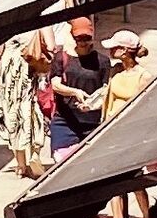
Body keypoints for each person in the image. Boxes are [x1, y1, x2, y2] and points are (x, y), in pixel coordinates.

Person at [44, 26, 113, 156]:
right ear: (72, 36)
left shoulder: (103, 61)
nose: (82, 43)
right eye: (78, 38)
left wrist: (92, 104)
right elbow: (55, 85)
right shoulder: (62, 58)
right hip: (65, 120)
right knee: (61, 160)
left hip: (93, 122)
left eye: (86, 38)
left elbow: (105, 89)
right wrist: (75, 92)